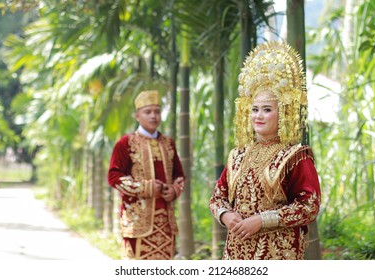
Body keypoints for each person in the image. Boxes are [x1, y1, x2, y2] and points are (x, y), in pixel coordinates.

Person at [209, 41, 321, 260]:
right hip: (236, 252)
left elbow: (309, 205)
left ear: (283, 114)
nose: (258, 116)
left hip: (277, 254)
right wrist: (226, 216)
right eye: (255, 109)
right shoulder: (238, 156)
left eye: (267, 110)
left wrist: (262, 220)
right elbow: (217, 198)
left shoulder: (295, 156)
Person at [108, 90, 185, 260]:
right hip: (137, 222)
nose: (153, 116)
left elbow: (179, 176)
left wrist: (174, 190)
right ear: (137, 116)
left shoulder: (168, 143)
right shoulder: (125, 143)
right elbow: (114, 177)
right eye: (147, 112)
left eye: (157, 112)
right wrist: (146, 187)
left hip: (165, 222)